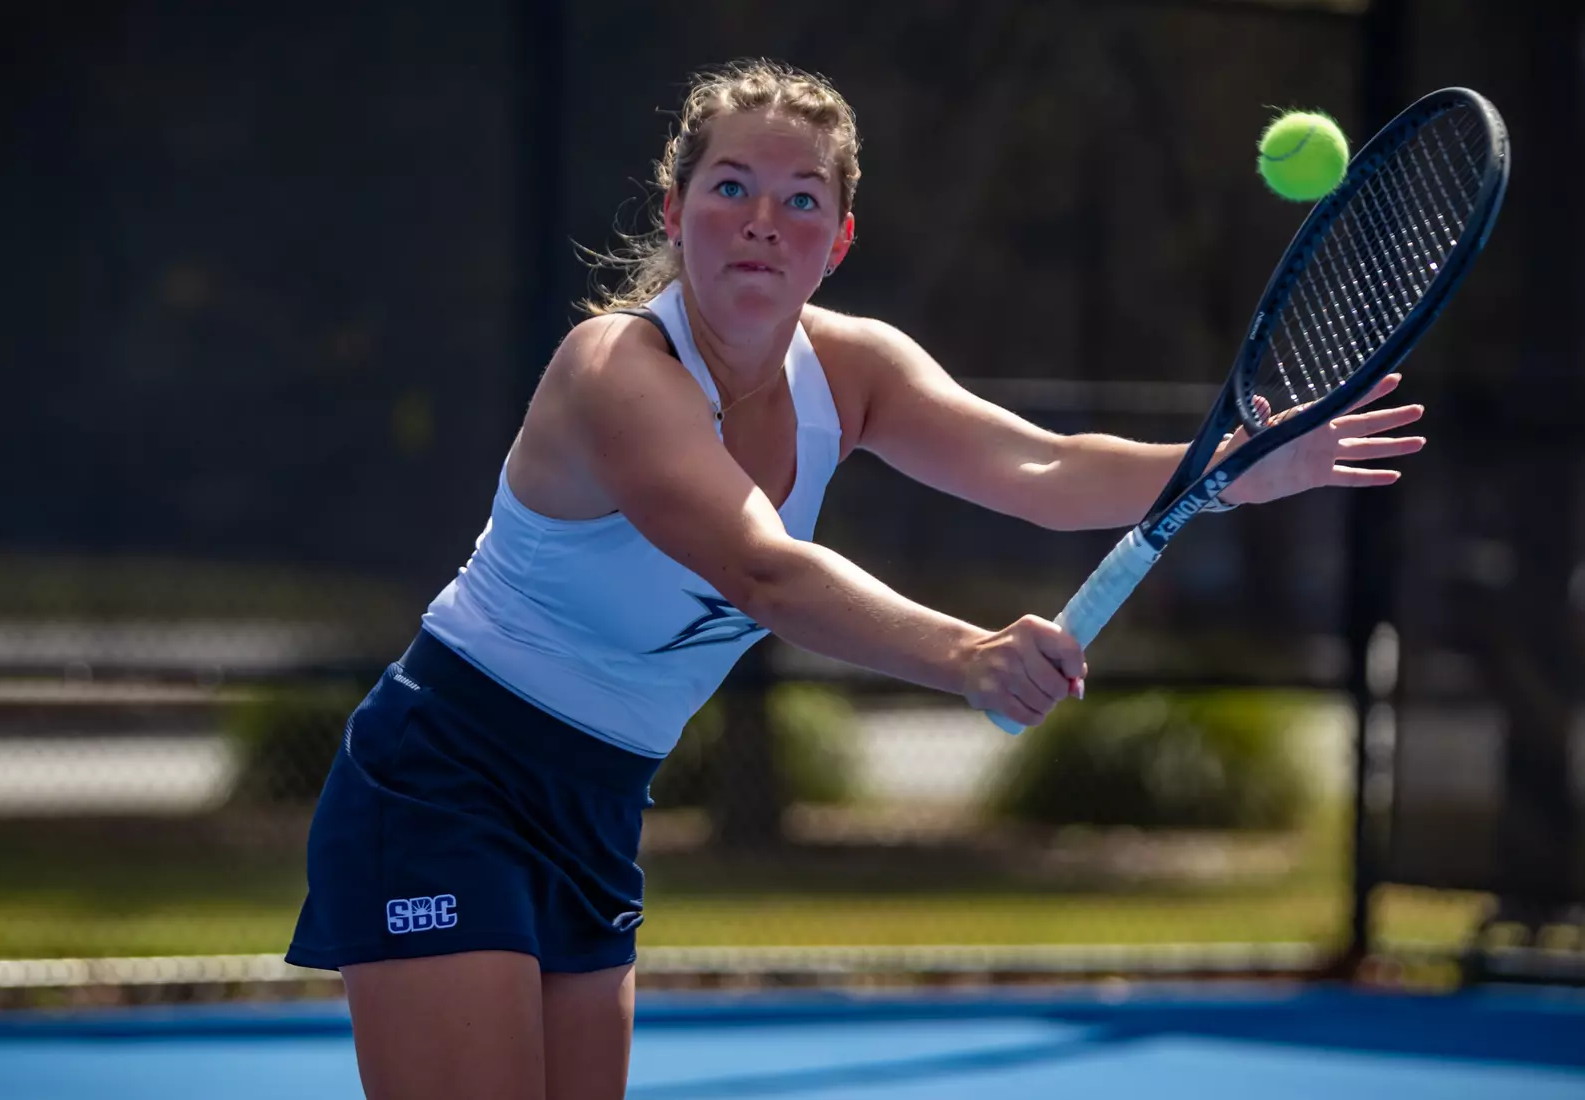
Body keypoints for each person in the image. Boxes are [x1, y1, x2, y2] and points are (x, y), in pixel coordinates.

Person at [284, 58, 1425, 1100]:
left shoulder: (856, 366)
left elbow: (1041, 466)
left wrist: (1230, 472)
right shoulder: (615, 369)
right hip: (446, 778)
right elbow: (762, 566)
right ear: (674, 214)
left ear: (836, 241)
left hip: (597, 802)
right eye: (730, 187)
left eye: (800, 199)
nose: (762, 222)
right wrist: (967, 653)